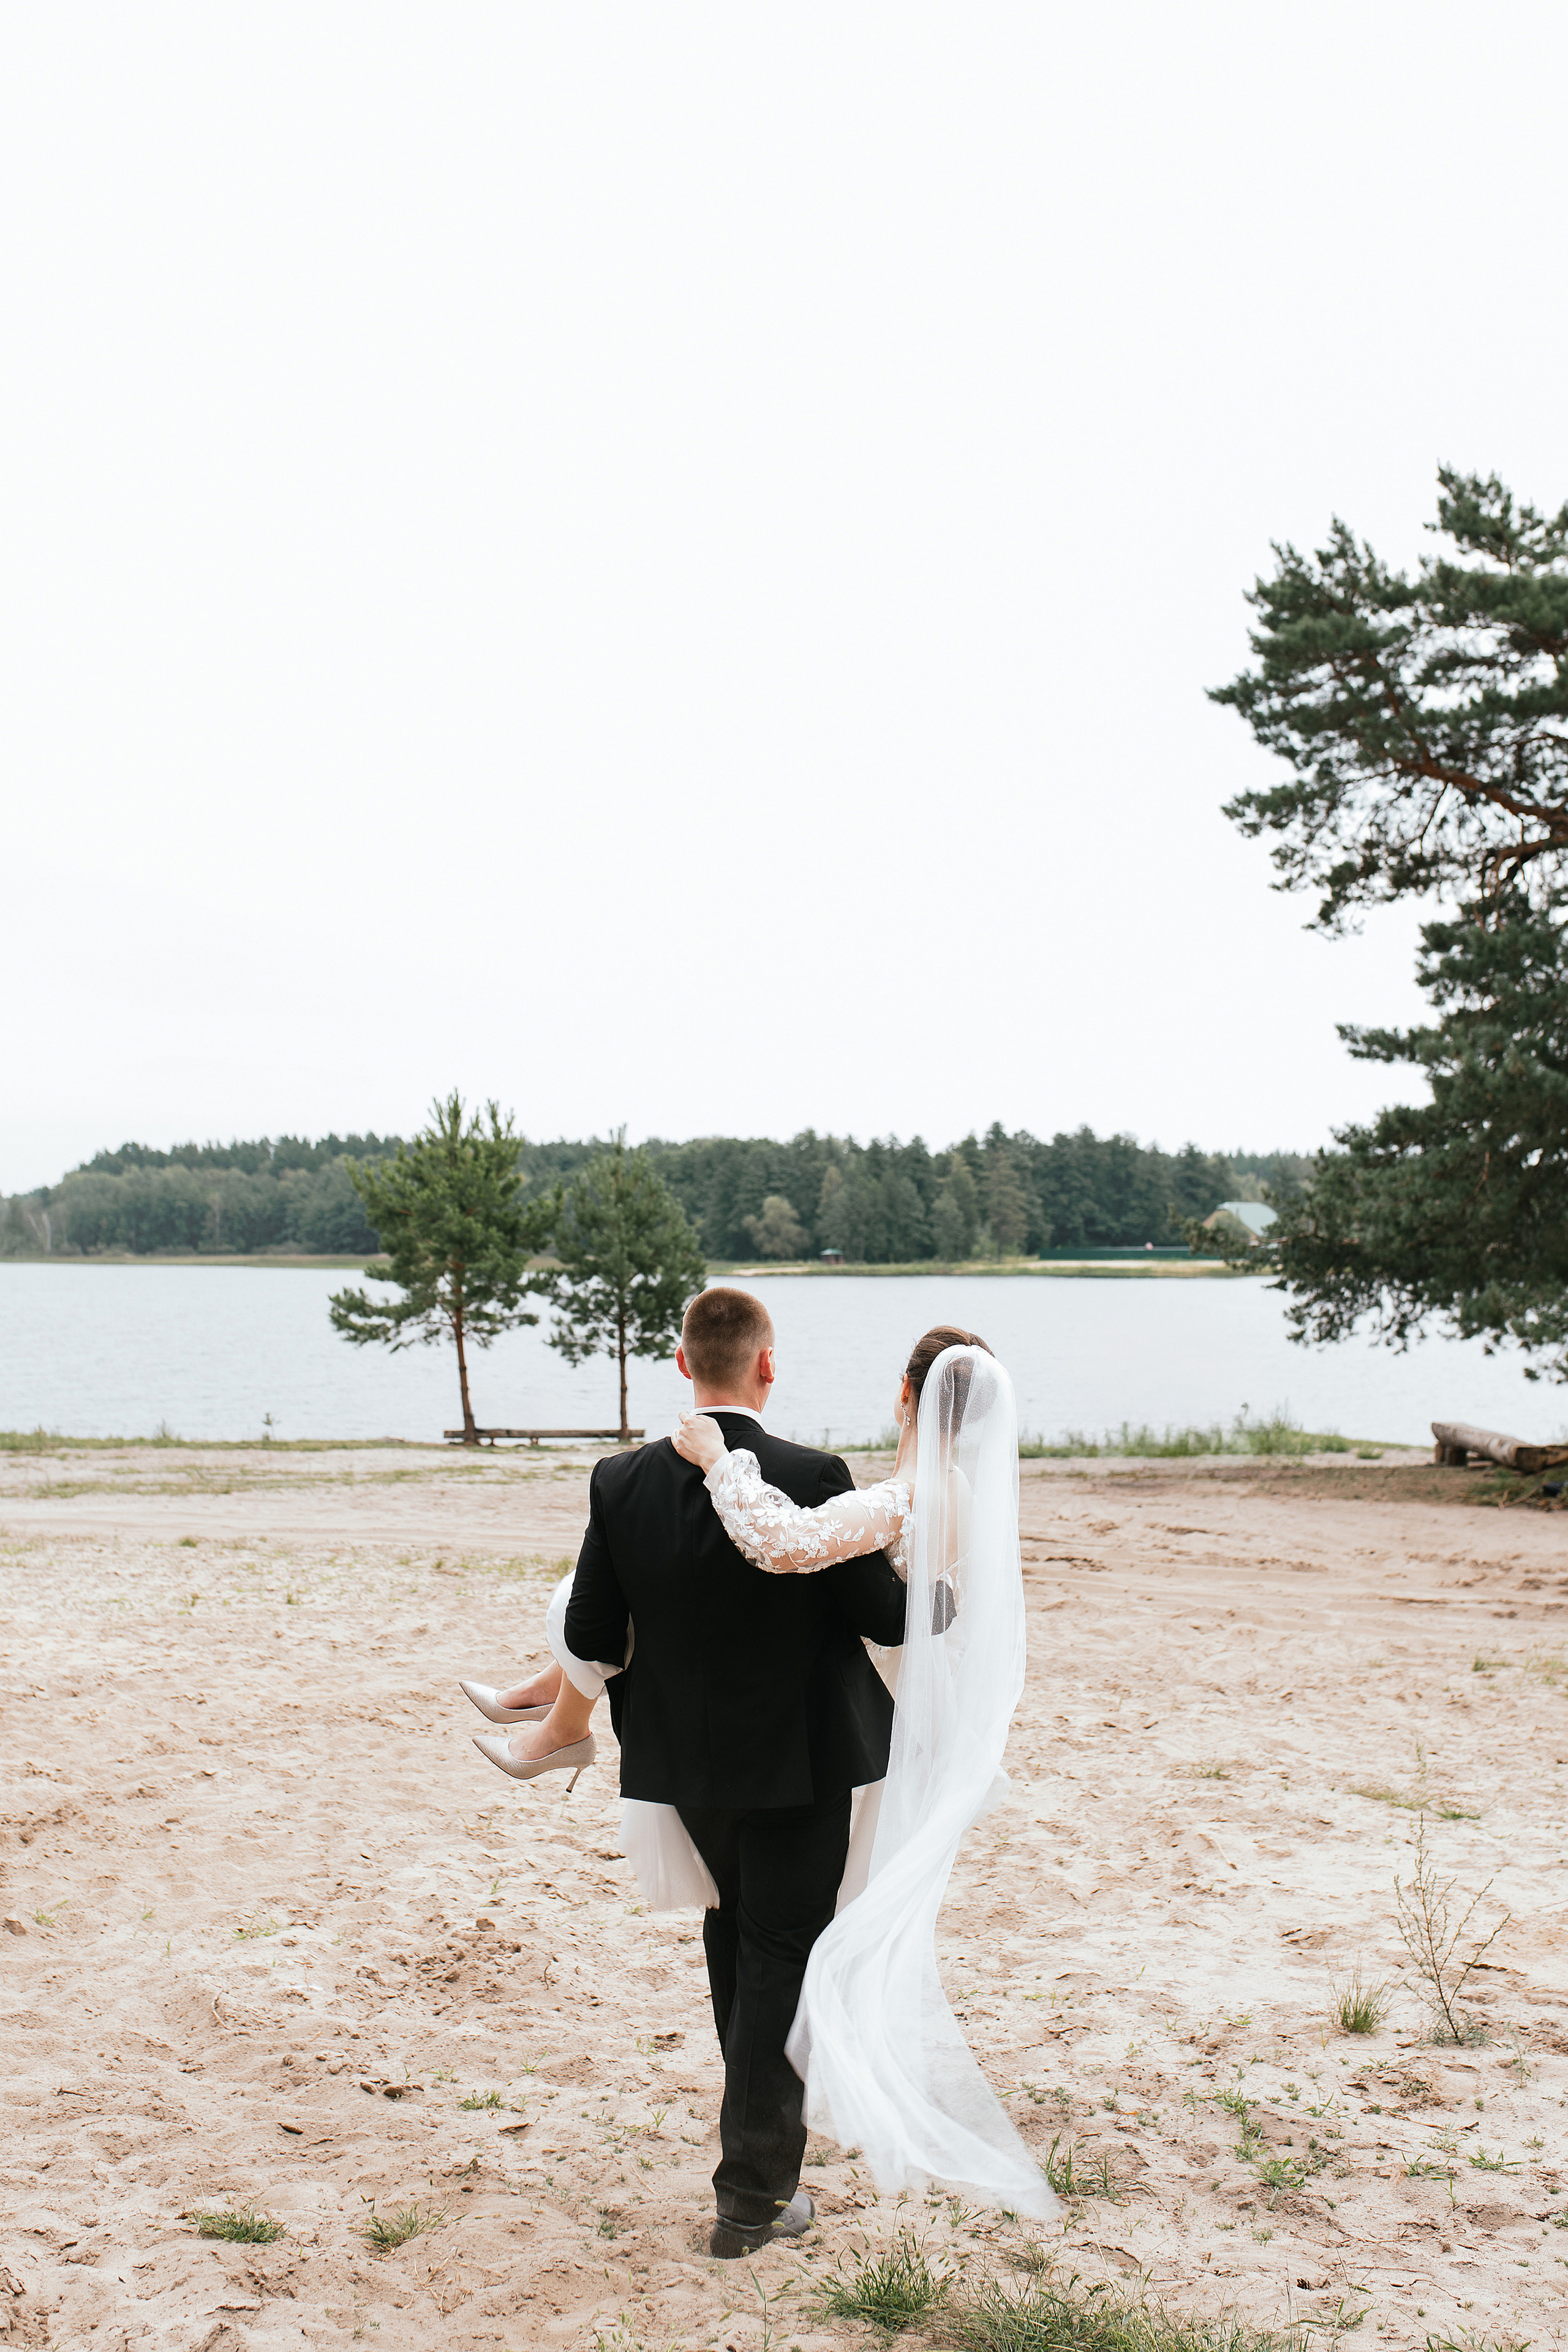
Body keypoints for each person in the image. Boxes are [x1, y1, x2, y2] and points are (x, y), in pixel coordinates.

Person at [466, 1286, 908, 2259]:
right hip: (801, 1762)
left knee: (734, 1934)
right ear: (768, 1364)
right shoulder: (812, 1471)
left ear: (681, 1363)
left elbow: (588, 1633)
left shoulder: (618, 1482)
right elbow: (884, 1617)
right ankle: (752, 2194)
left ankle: (757, 2152)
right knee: (782, 1953)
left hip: (684, 1761)